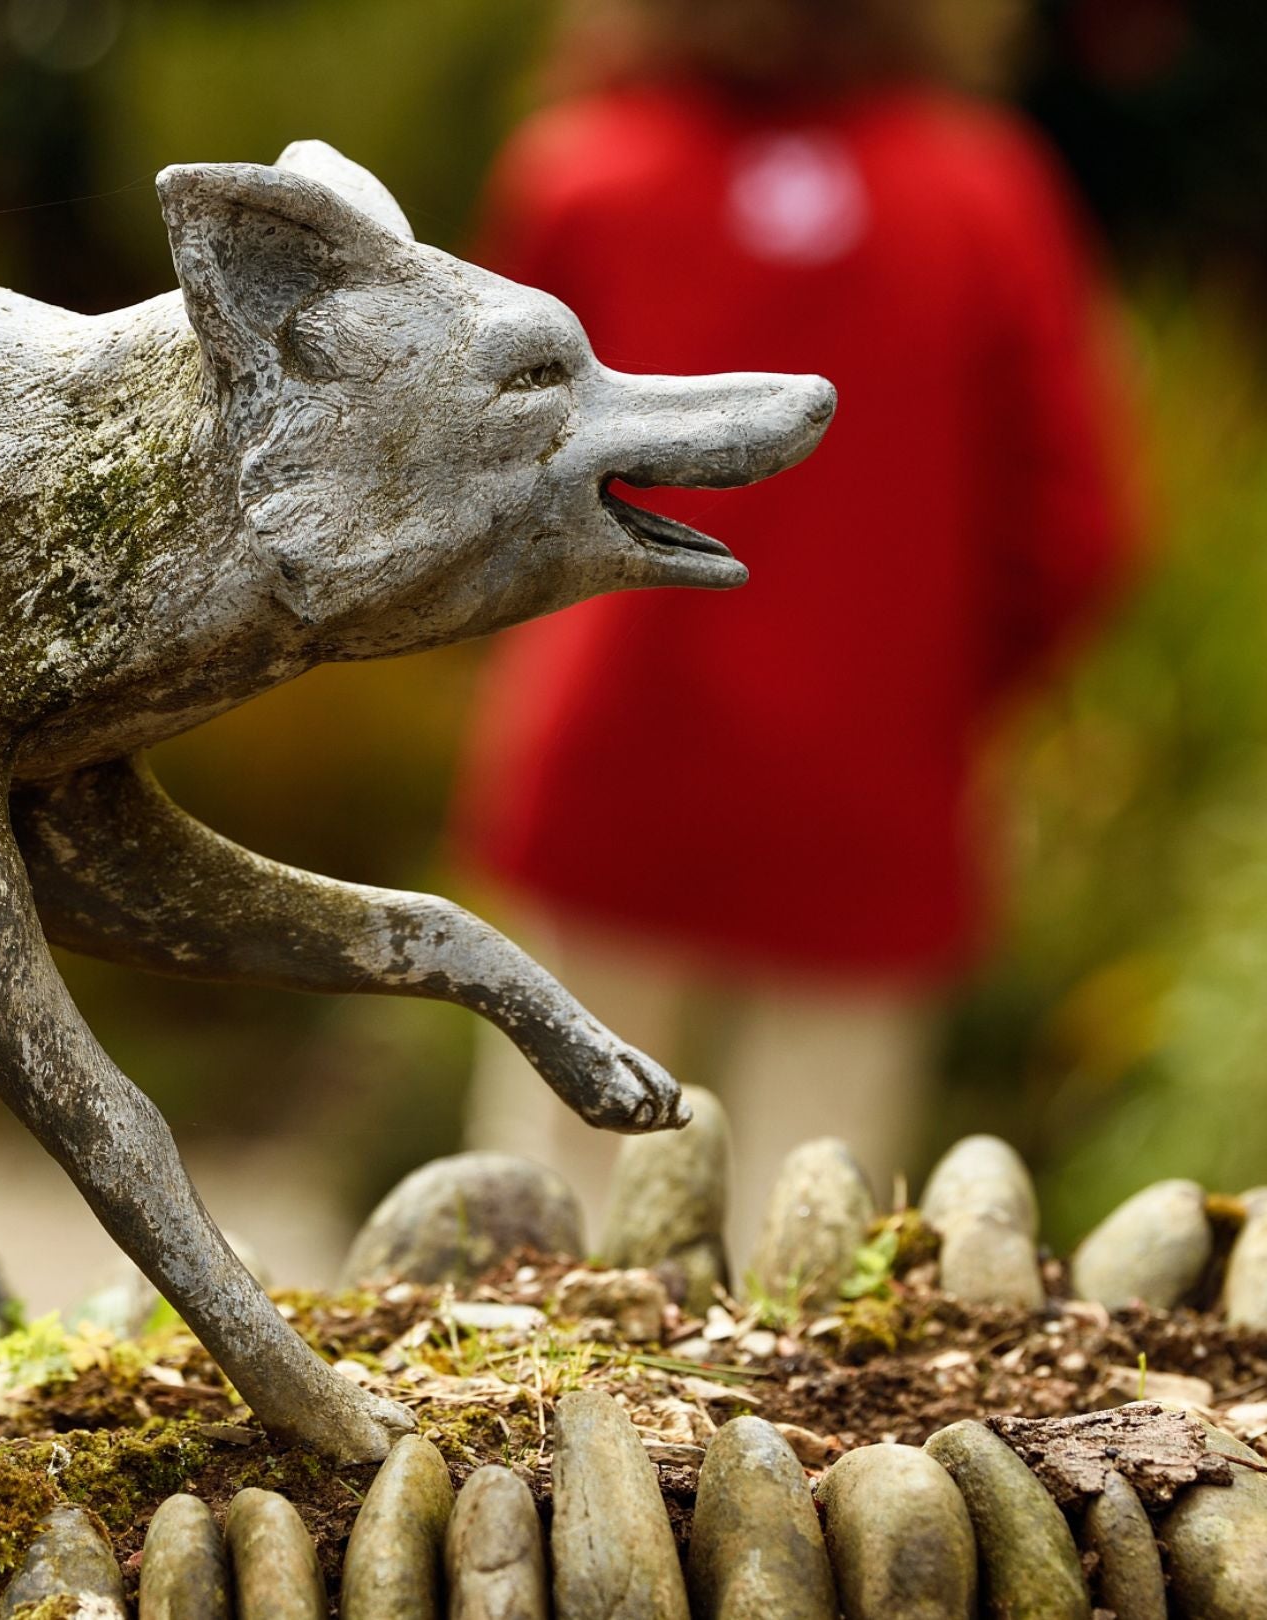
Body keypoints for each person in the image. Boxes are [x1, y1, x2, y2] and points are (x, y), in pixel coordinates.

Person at [452, 0, 1139, 1247]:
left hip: (611, 764)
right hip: (869, 788)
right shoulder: (984, 194)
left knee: (543, 1234)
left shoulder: (581, 171)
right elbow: (1076, 529)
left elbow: (473, 482)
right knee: (807, 1258)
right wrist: (928, 691)